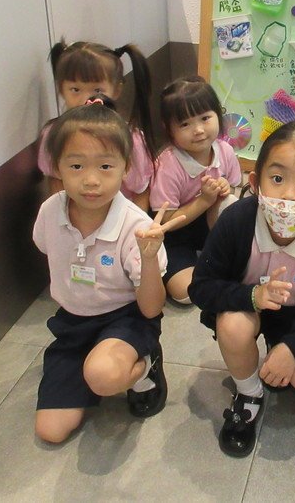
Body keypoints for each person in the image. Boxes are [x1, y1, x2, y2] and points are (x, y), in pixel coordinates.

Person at [189, 121, 295, 457]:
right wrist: (253, 296)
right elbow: (201, 288)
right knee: (233, 326)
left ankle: (279, 356)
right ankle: (249, 393)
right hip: (247, 308)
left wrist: (292, 347)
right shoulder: (236, 221)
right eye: (277, 178)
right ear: (255, 183)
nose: (289, 195)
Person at [32, 99, 183, 444]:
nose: (90, 180)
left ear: (125, 167)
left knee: (101, 374)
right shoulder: (50, 211)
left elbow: (151, 309)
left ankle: (144, 368)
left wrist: (148, 259)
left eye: (105, 166)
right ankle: (92, 365)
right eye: (76, 165)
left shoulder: (136, 225)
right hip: (73, 323)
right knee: (50, 431)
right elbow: (46, 248)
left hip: (126, 318)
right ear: (57, 167)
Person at [150, 76, 242, 304]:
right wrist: (203, 201)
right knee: (186, 293)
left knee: (230, 203)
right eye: (185, 124)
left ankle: (216, 256)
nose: (199, 130)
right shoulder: (168, 164)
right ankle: (202, 265)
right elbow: (165, 221)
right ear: (168, 129)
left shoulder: (225, 151)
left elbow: (234, 189)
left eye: (205, 118)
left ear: (218, 114)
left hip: (210, 227)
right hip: (175, 236)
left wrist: (225, 189)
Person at [38, 39, 157, 211]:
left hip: (121, 220)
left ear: (116, 89)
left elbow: (140, 191)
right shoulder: (53, 134)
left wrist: (137, 225)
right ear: (61, 89)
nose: (85, 99)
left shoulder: (132, 139)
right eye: (75, 89)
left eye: (98, 90)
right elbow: (55, 181)